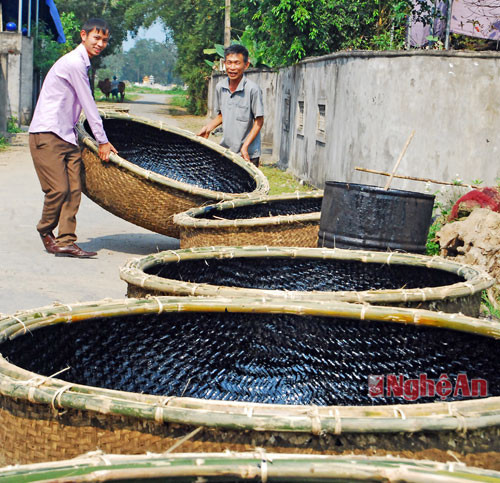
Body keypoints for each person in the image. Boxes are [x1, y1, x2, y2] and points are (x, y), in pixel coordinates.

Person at [29, 18, 117, 259]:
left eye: (104, 40)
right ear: (83, 36)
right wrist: (102, 140)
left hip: (67, 135)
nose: (100, 43)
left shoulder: (83, 64)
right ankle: (46, 230)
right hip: (47, 133)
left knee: (74, 189)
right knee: (58, 189)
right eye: (96, 38)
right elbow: (88, 104)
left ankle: (66, 240)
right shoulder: (74, 63)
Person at [197, 44, 264, 167]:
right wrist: (207, 128)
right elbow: (223, 115)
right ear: (224, 64)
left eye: (237, 63)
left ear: (246, 65)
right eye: (229, 63)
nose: (232, 67)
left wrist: (245, 146)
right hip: (226, 151)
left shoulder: (252, 90)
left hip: (247, 154)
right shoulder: (220, 87)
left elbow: (259, 121)